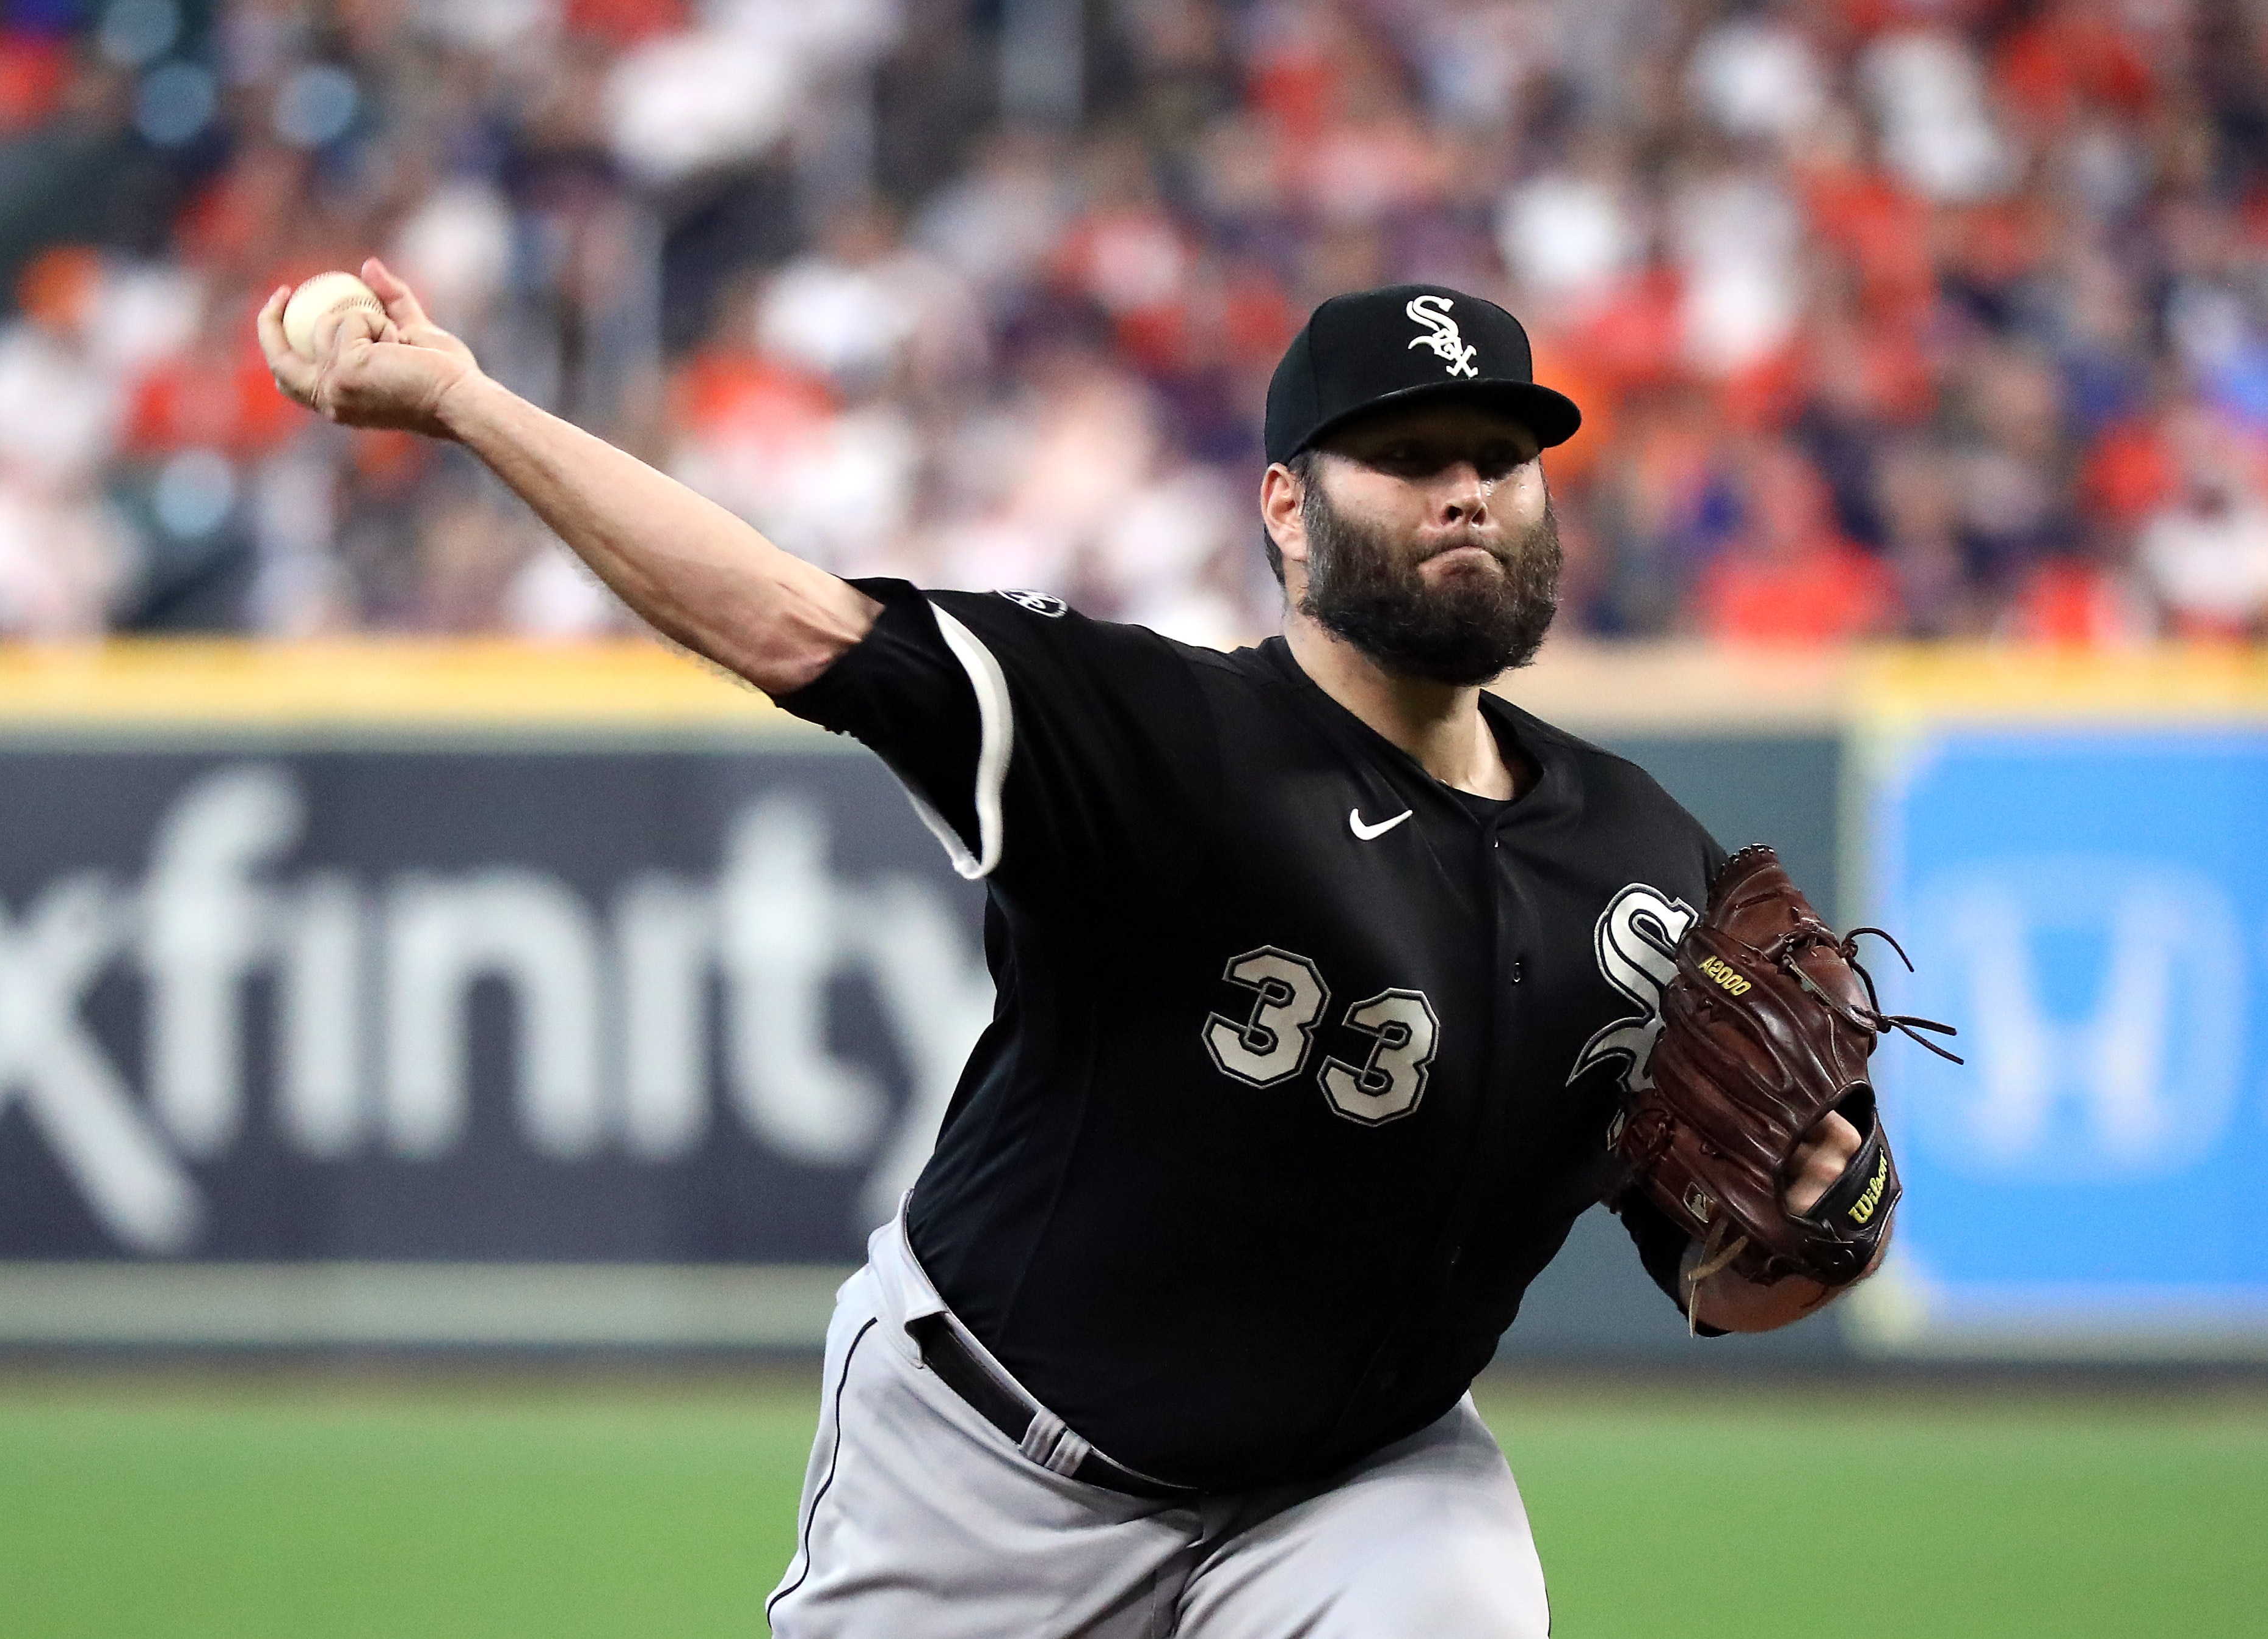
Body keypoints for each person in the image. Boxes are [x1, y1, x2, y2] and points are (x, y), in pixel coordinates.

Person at [261, 266, 1876, 1637]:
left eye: (1496, 455)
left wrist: (1831, 1221)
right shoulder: (1154, 733)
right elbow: (792, 622)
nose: (1463, 485)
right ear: (1287, 508)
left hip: (1363, 1486)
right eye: (1403, 454)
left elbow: (1723, 1289)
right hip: (986, 1469)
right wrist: (469, 402)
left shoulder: (1647, 865)